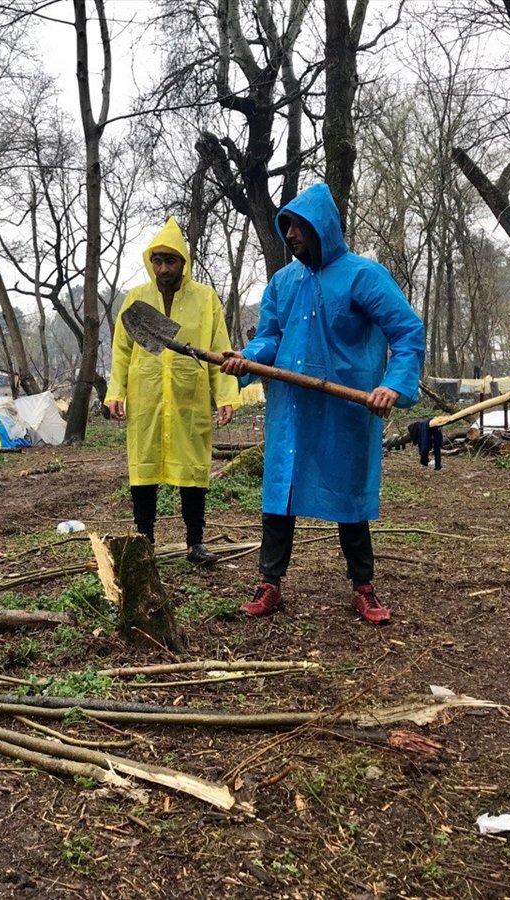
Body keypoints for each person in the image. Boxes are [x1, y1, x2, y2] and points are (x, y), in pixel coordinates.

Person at [220, 183, 424, 624]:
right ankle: (269, 584)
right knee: (280, 492)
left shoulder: (362, 276)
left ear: (323, 228)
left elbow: (406, 332)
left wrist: (393, 384)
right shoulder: (283, 282)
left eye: (298, 226)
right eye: (286, 226)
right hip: (291, 409)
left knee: (348, 494)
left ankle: (364, 588)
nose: (289, 234)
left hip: (345, 411)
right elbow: (270, 337)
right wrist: (247, 359)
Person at [105, 217, 240, 565]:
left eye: (171, 261)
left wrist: (225, 395)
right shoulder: (136, 299)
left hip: (188, 399)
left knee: (193, 470)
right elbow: (121, 350)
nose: (164, 268)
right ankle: (144, 541)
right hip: (146, 397)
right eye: (158, 261)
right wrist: (115, 391)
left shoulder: (205, 298)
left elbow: (218, 347)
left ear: (184, 262)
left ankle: (195, 543)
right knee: (144, 468)